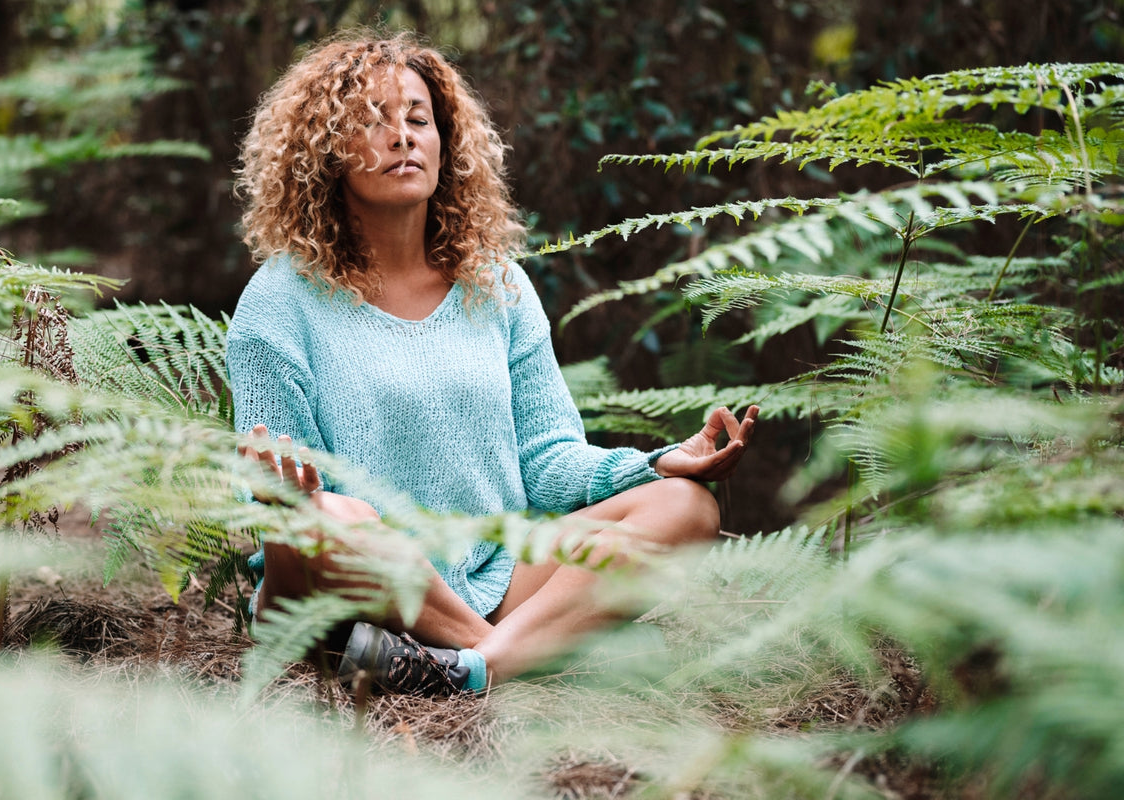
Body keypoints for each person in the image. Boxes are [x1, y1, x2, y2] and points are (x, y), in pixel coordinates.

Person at [227, 31, 757, 696]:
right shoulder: (278, 304)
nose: (403, 137)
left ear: (446, 144)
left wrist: (653, 463)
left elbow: (545, 457)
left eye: (418, 119)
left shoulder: (495, 284)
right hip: (364, 586)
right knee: (334, 519)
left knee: (685, 506)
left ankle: (468, 668)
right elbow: (278, 506)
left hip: (497, 575)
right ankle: (518, 652)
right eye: (372, 120)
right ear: (324, 152)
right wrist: (294, 498)